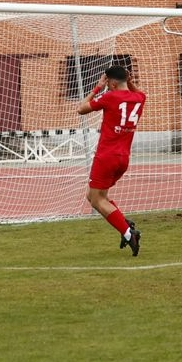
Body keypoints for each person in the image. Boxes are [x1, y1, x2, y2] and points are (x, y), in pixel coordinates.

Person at [77, 65, 146, 256]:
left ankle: (128, 233)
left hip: (106, 157)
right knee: (93, 196)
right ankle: (124, 224)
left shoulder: (109, 97)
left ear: (112, 83)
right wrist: (128, 80)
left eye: (109, 83)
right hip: (123, 158)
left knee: (97, 200)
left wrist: (97, 88)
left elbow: (81, 109)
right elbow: (135, 91)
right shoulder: (140, 98)